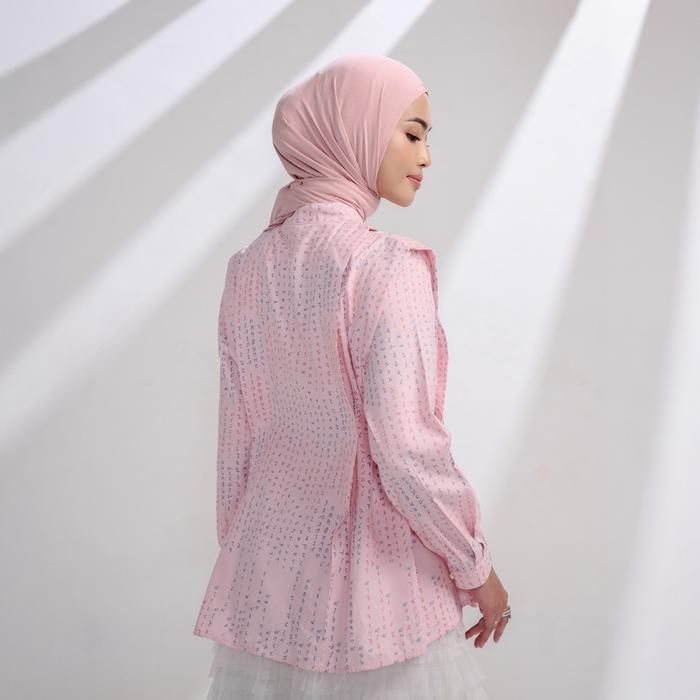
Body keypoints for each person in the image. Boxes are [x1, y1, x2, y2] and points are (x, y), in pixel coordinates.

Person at [194, 53, 510, 699]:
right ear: (355, 130)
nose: (426, 157)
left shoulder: (247, 269)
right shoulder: (384, 266)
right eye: (413, 133)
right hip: (380, 598)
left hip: (266, 593)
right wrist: (474, 565)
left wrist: (248, 560)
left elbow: (237, 445)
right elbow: (407, 449)